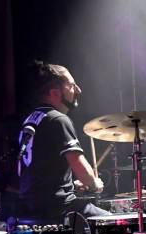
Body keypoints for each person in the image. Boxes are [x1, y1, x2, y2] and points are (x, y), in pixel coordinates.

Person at [17, 61, 109, 222]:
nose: (78, 90)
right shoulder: (58, 119)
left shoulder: (31, 119)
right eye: (72, 85)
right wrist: (94, 184)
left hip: (30, 206)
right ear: (55, 93)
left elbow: (40, 172)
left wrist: (72, 185)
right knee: (116, 222)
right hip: (58, 208)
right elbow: (82, 170)